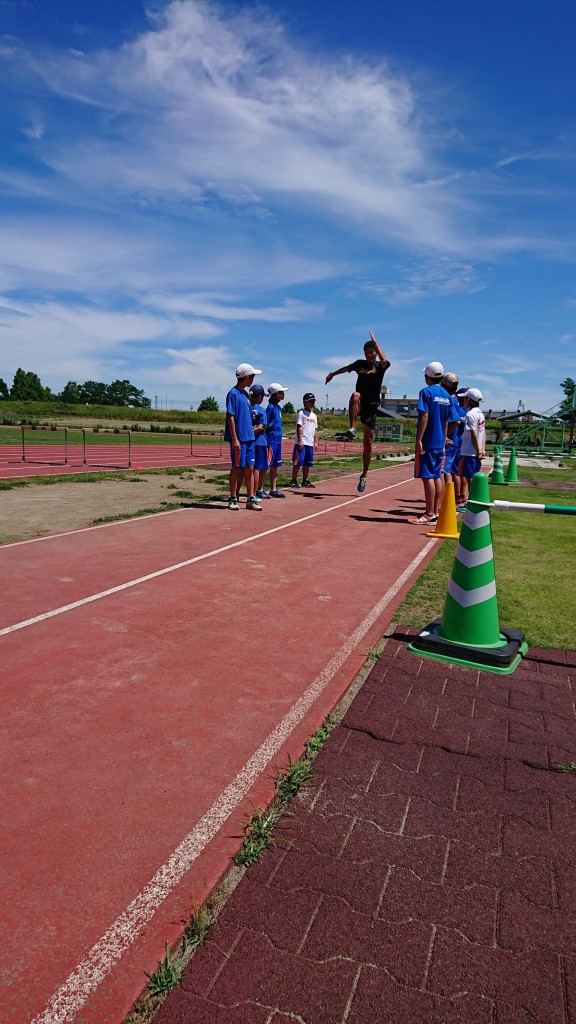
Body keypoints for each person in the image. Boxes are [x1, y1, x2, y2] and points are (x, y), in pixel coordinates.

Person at [324, 330, 390, 492]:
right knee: (355, 395)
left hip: (371, 407)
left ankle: (364, 474)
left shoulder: (379, 367)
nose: (370, 355)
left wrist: (376, 342)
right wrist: (332, 374)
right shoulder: (359, 364)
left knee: (368, 444)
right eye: (367, 353)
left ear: (375, 353)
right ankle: (352, 428)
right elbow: (346, 368)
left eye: (372, 352)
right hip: (360, 403)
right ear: (364, 353)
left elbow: (384, 360)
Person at [409, 361, 451, 525]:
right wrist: (445, 437)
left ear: (427, 376)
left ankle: (429, 513)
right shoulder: (447, 396)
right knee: (437, 475)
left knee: (428, 477)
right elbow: (447, 420)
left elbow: (424, 416)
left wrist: (419, 439)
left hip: (429, 440)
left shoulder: (426, 393)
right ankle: (437, 510)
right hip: (440, 441)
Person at [223, 363, 263, 511]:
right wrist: (234, 438)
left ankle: (250, 499)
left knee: (250, 468)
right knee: (237, 468)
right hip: (239, 439)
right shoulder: (233, 394)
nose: (253, 380)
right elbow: (231, 417)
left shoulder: (246, 395)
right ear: (246, 377)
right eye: (252, 376)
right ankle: (233, 497)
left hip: (250, 437)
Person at [458, 388, 486, 505]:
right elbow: (483, 433)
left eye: (464, 398)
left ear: (469, 400)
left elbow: (473, 433)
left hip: (469, 451)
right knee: (473, 477)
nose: (463, 400)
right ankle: (473, 499)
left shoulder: (470, 414)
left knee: (468, 477)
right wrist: (482, 449)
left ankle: (472, 500)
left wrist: (478, 449)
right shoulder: (481, 414)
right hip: (476, 451)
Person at [441, 372, 464, 505]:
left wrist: (444, 435)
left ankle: (449, 500)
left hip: (450, 441)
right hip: (455, 440)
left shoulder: (450, 400)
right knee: (452, 471)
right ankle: (456, 498)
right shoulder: (454, 400)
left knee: (446, 471)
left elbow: (456, 421)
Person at [264, 382, 289, 498]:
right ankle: (260, 488)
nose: (283, 394)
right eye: (281, 392)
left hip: (278, 440)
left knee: (275, 465)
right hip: (271, 440)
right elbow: (265, 423)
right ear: (275, 394)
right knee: (266, 464)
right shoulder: (270, 408)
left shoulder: (278, 408)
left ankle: (273, 488)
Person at [289, 393, 319, 488]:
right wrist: (300, 440)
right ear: (305, 402)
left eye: (313, 401)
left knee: (307, 463)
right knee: (298, 462)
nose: (312, 403)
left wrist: (316, 442)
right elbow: (299, 427)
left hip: (310, 443)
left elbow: (315, 430)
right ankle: (293, 480)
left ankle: (305, 480)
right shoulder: (301, 413)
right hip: (302, 442)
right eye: (311, 401)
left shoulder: (314, 416)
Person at [248, 383, 271, 499]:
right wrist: (253, 431)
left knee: (251, 468)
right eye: (262, 397)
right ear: (258, 397)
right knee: (259, 467)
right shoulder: (261, 410)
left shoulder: (246, 408)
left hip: (250, 442)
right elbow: (262, 426)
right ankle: (257, 491)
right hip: (260, 442)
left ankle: (253, 491)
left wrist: (247, 432)